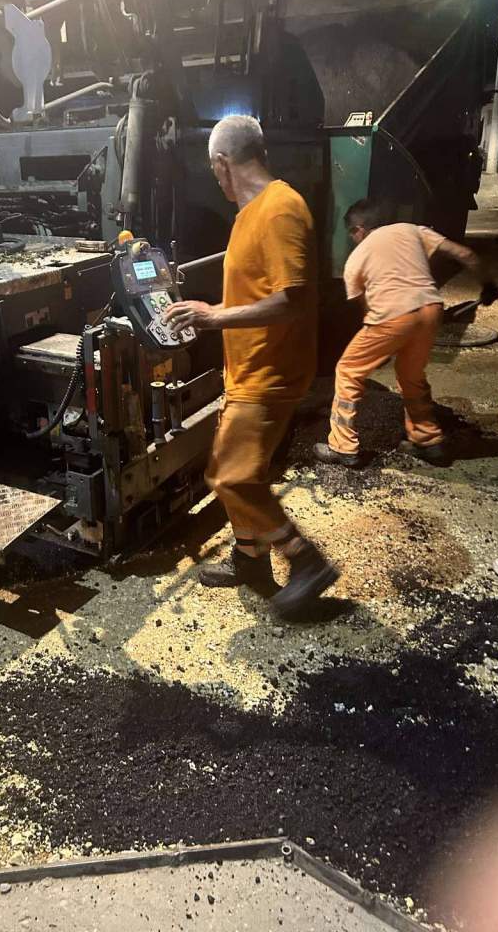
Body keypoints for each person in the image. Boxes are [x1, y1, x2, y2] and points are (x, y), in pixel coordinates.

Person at [165, 114, 339, 619]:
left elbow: (294, 300)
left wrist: (214, 317)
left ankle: (305, 560)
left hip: (271, 371)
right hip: (247, 370)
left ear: (222, 164)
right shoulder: (248, 214)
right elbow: (257, 293)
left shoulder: (281, 208)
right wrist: (209, 315)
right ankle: (249, 560)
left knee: (233, 476)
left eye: (213, 170)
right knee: (229, 466)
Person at [313, 200, 498, 468]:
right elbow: (466, 254)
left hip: (391, 315)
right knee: (411, 374)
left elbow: (368, 310)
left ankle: (342, 447)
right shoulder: (412, 230)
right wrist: (488, 285)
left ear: (359, 229)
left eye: (352, 234)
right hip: (431, 309)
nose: (353, 240)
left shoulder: (356, 258)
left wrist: (382, 345)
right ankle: (428, 440)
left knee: (348, 370)